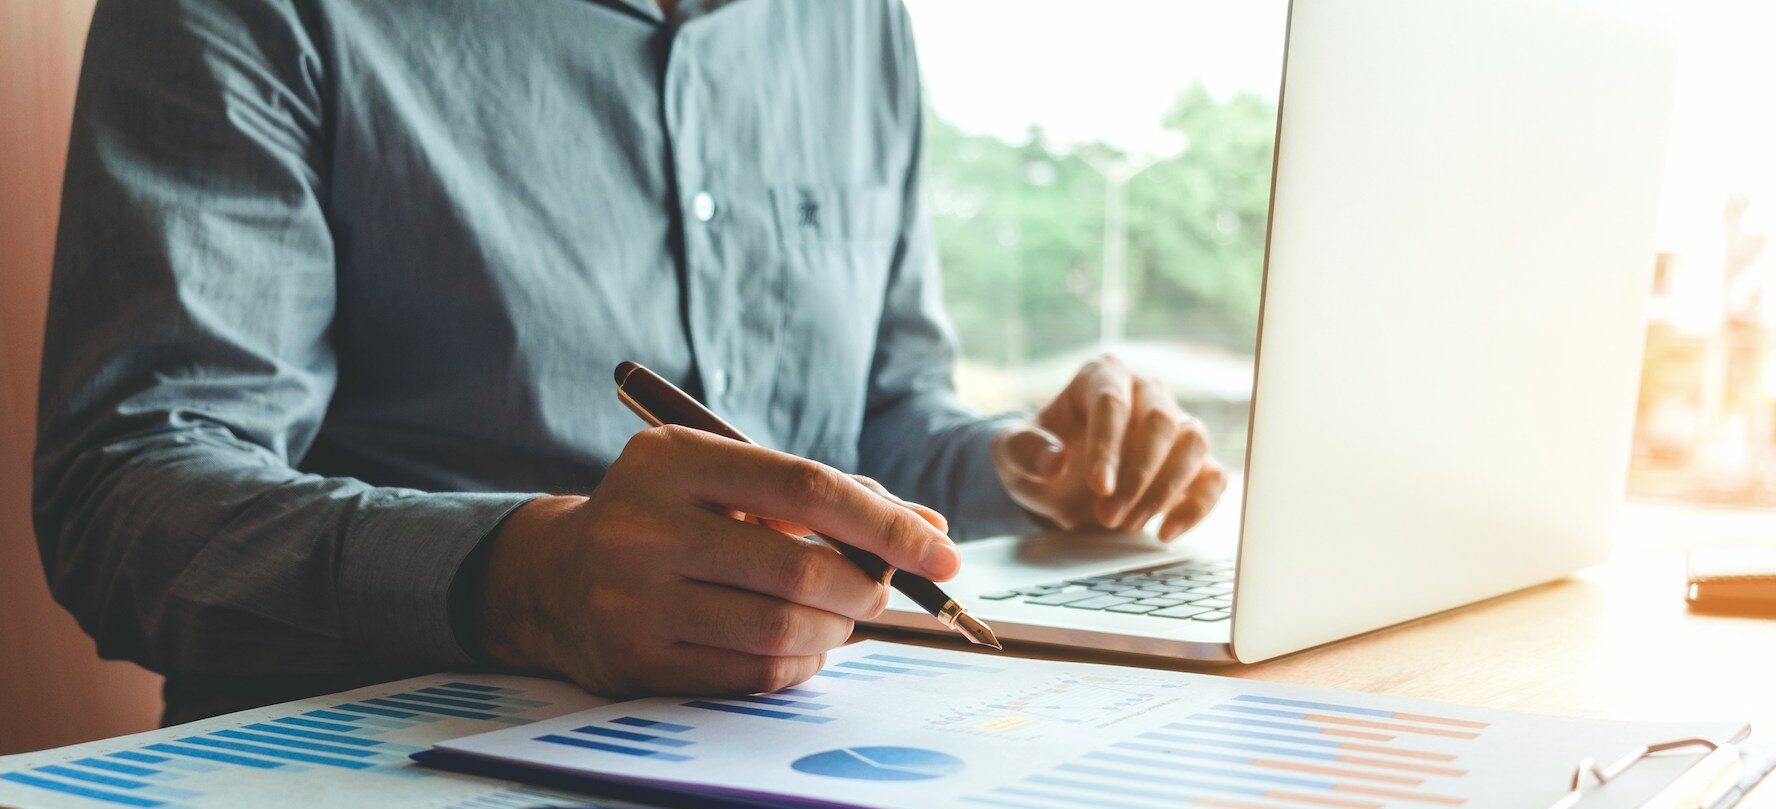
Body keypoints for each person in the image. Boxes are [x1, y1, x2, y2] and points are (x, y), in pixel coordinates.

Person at [36, 0, 1227, 723]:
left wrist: (1029, 471)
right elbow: (123, 497)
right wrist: (524, 583)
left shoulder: (855, 24)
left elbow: (879, 422)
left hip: (810, 759)